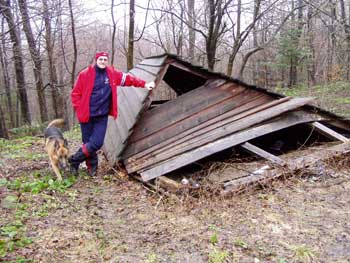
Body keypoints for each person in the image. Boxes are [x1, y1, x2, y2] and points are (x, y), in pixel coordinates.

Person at [69, 51, 155, 176]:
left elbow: (128, 79)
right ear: (96, 60)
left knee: (96, 143)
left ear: (107, 61)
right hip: (87, 115)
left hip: (101, 116)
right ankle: (91, 168)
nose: (103, 61)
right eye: (100, 59)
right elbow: (75, 94)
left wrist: (144, 84)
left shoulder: (112, 74)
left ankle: (74, 160)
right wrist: (79, 109)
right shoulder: (86, 74)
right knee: (87, 143)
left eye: (105, 59)